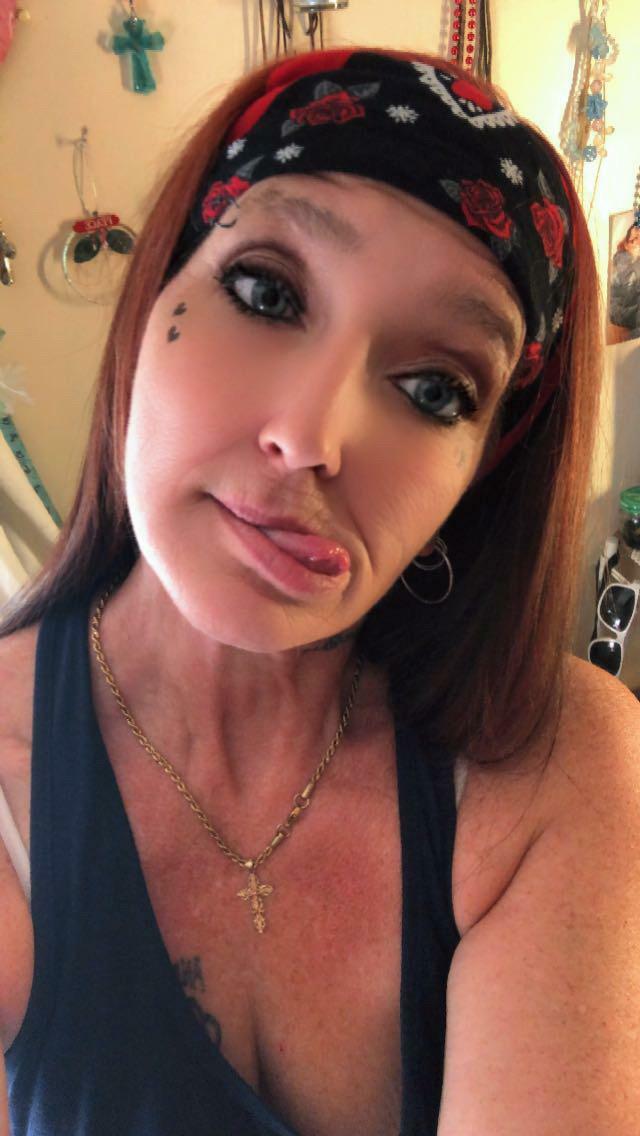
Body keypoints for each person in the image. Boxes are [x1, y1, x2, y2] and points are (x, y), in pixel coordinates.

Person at [1, 44, 640, 1136]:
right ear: (156, 295)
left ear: (478, 472)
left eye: (434, 389)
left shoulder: (551, 767)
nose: (309, 437)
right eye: (266, 291)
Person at [607, 220, 640, 344]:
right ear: (626, 245)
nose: (638, 243)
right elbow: (614, 311)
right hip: (627, 331)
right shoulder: (622, 266)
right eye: (633, 240)